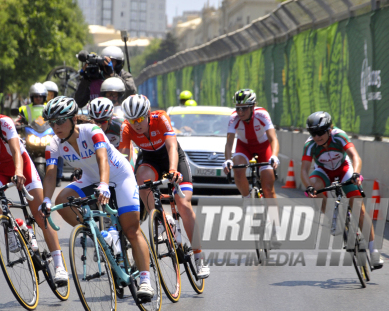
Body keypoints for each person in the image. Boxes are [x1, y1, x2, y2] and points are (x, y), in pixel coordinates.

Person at [41, 97, 155, 300]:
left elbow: (103, 158)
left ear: (73, 118)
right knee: (63, 200)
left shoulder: (91, 131)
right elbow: (50, 174)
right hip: (90, 179)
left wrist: (104, 184)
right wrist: (46, 201)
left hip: (119, 176)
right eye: (51, 123)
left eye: (59, 121)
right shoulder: (54, 144)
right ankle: (98, 236)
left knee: (131, 229)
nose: (55, 127)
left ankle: (145, 280)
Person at [0, 93, 68, 282]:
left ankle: (59, 266)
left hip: (21, 165)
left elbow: (17, 151)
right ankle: (12, 225)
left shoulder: (5, 123)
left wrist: (19, 172)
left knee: (41, 215)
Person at [119, 94, 209, 279]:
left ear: (148, 114)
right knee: (140, 179)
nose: (136, 124)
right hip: (150, 160)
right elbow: (124, 156)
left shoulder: (160, 118)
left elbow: (171, 146)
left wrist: (173, 170)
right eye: (131, 120)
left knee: (183, 205)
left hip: (172, 157)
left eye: (139, 119)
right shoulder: (126, 128)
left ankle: (199, 258)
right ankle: (160, 218)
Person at [300, 111, 384, 269]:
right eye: (313, 133)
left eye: (320, 133)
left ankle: (374, 252)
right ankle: (332, 215)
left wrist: (356, 174)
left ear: (329, 129)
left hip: (343, 170)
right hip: (323, 172)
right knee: (315, 186)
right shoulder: (309, 144)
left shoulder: (339, 136)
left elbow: (355, 157)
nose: (317, 137)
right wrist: (309, 187)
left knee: (359, 210)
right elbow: (304, 170)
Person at [223, 89, 280, 199]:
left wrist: (274, 156)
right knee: (238, 170)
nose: (240, 112)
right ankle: (247, 198)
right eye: (238, 108)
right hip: (244, 147)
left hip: (263, 147)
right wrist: (228, 159)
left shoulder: (262, 114)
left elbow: (273, 139)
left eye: (244, 108)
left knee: (268, 189)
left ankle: (274, 217)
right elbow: (229, 143)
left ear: (252, 107)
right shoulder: (234, 118)